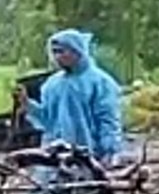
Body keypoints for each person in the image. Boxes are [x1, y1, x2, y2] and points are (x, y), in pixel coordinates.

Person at [18, 29, 124, 166]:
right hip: (55, 154)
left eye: (61, 51)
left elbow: (108, 120)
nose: (57, 56)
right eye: (54, 52)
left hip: (90, 155)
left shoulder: (100, 82)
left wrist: (109, 151)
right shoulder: (52, 85)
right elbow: (47, 120)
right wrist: (28, 105)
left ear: (77, 51)